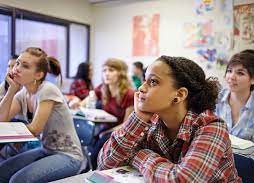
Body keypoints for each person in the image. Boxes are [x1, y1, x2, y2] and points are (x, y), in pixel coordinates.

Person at [97, 56, 241, 182]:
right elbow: (105, 164)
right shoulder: (151, 120)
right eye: (144, 81)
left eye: (153, 82)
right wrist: (138, 118)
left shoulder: (211, 126)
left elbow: (181, 180)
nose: (141, 88)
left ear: (179, 95)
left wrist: (138, 154)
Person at [0, 47, 84, 182]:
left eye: (25, 66)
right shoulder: (23, 93)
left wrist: (12, 129)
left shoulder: (47, 89)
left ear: (38, 75)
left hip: (69, 156)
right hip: (46, 150)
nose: (17, 68)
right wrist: (11, 90)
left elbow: (34, 129)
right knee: (2, 171)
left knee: (18, 180)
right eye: (18, 63)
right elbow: (1, 120)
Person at [215, 52, 254, 183]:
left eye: (240, 73)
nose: (231, 77)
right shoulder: (216, 99)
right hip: (219, 159)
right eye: (229, 71)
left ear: (253, 79)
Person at [88, 58, 134, 170]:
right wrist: (76, 101)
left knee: (99, 144)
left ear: (121, 73)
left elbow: (126, 124)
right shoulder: (103, 89)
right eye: (104, 70)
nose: (106, 74)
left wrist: (106, 133)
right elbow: (87, 99)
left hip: (122, 132)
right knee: (91, 141)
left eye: (111, 70)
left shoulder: (129, 94)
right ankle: (90, 169)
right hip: (106, 128)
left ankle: (94, 171)